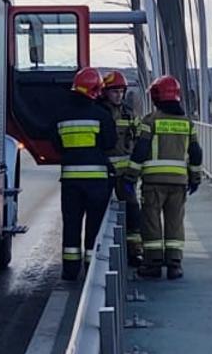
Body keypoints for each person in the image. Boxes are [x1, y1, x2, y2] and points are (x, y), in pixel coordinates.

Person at [130, 75, 202, 279]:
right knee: (175, 222)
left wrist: (130, 177)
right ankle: (174, 264)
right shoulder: (187, 123)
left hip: (153, 182)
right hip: (179, 183)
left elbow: (141, 150)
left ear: (155, 97)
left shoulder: (150, 121)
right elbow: (196, 153)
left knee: (151, 221)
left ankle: (152, 264)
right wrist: (195, 177)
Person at [54, 66, 117, 281]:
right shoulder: (102, 115)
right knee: (94, 226)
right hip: (97, 182)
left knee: (71, 226)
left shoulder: (61, 115)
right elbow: (110, 143)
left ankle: (70, 271)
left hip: (70, 182)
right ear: (95, 90)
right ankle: (91, 270)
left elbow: (56, 145)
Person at [100, 70, 144, 267]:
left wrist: (135, 172)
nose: (118, 95)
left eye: (121, 91)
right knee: (100, 211)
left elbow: (139, 140)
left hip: (125, 176)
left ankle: (134, 251)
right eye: (114, 91)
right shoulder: (100, 112)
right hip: (105, 172)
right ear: (105, 92)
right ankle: (100, 252)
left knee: (133, 209)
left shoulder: (130, 114)